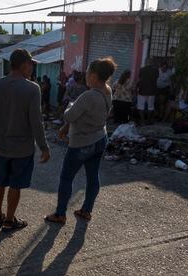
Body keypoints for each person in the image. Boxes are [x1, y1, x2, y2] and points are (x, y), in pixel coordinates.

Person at [0, 48, 50, 232]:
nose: (32, 68)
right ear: (23, 65)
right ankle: (9, 220)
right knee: (15, 185)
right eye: (30, 64)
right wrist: (44, 147)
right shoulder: (32, 88)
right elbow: (36, 122)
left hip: (1, 146)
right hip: (23, 149)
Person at [45, 57, 116, 224]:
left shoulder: (88, 96)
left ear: (94, 76)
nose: (85, 76)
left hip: (82, 143)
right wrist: (66, 127)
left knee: (66, 177)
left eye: (88, 73)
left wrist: (70, 105)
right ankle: (86, 210)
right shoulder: (108, 91)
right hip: (100, 138)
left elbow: (69, 115)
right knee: (93, 176)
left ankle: (60, 213)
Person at [136, 59, 159, 125]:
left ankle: (143, 121)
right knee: (150, 107)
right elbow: (156, 79)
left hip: (142, 90)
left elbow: (140, 79)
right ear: (151, 63)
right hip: (152, 91)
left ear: (145, 62)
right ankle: (148, 120)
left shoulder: (142, 69)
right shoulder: (156, 70)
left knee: (140, 107)